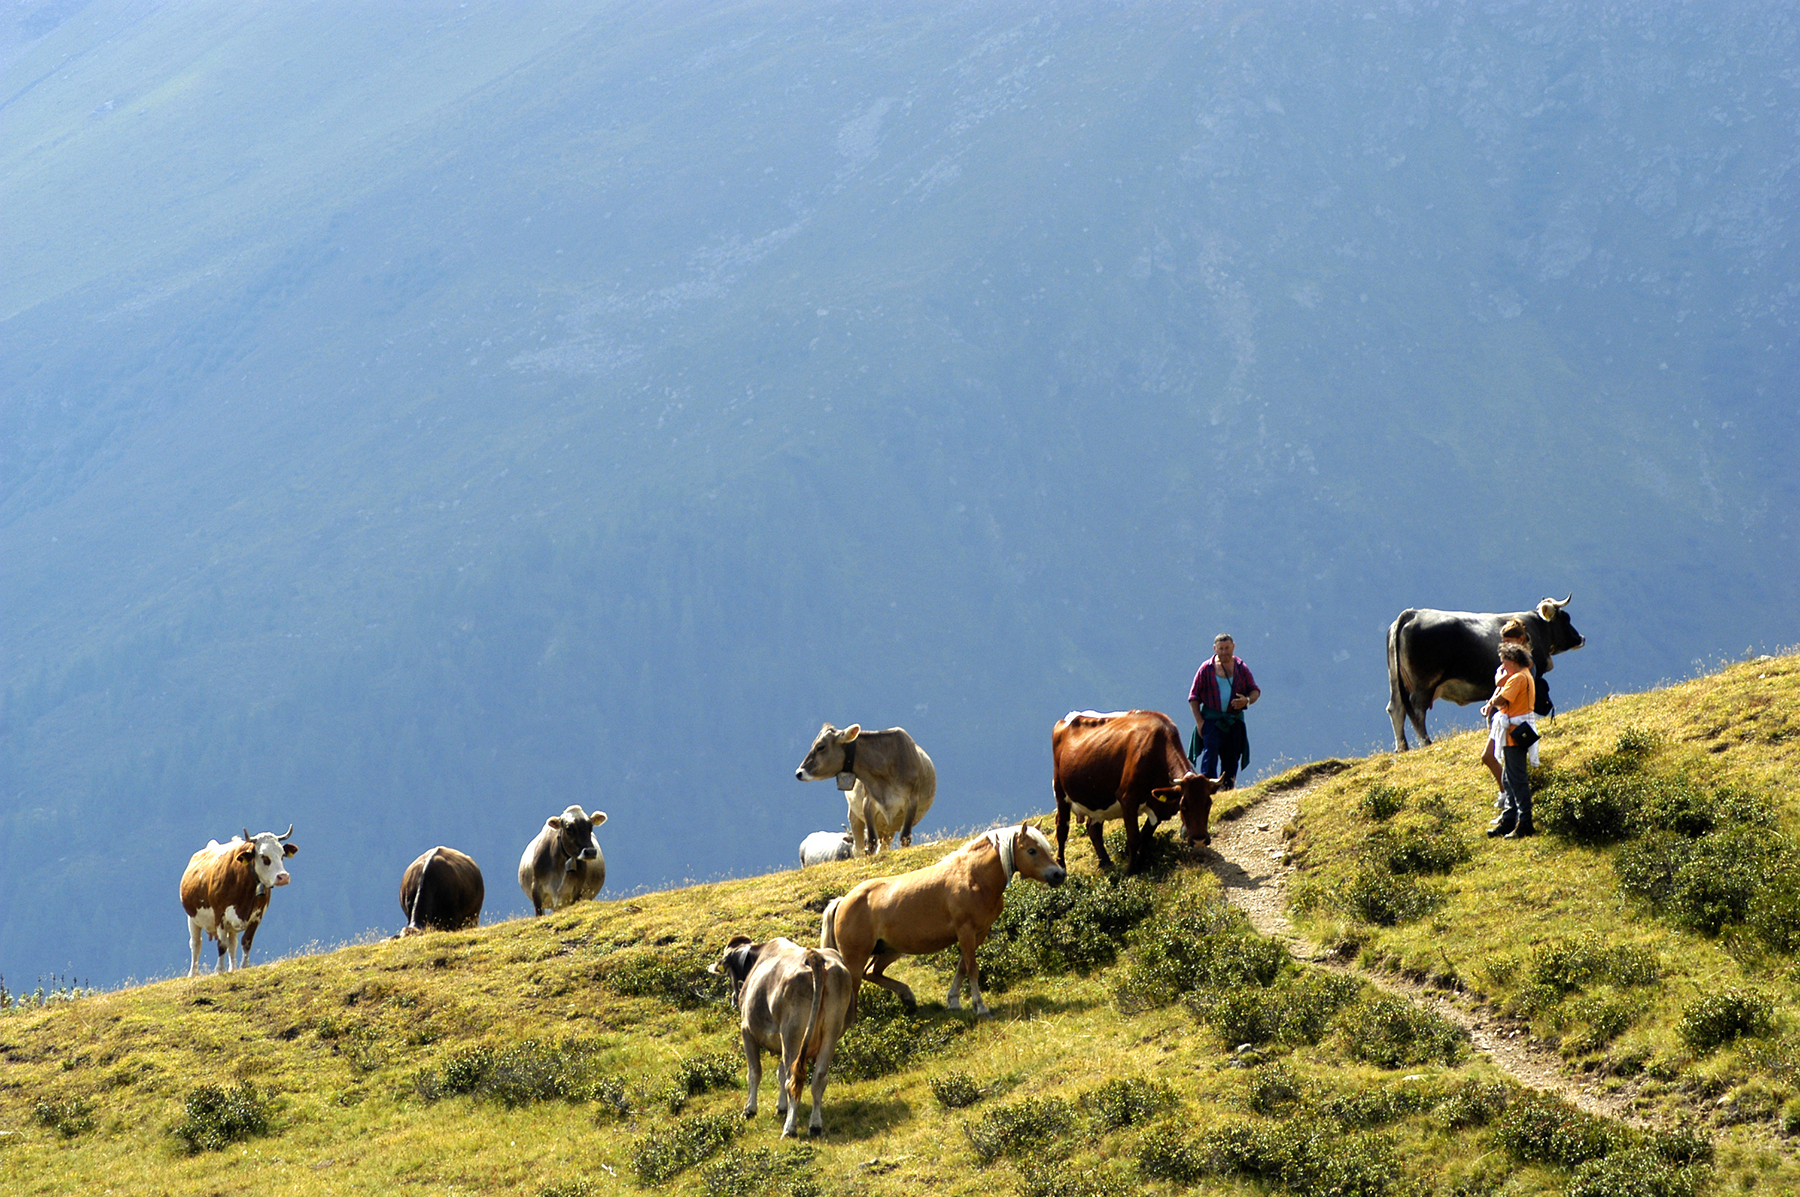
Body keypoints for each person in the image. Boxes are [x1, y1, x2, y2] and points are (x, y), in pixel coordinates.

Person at [1188, 633, 1260, 790]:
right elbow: (1193, 697)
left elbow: (1255, 691)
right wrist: (1200, 722)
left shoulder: (1241, 668)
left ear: (1233, 647)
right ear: (1215, 649)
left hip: (1233, 721)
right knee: (1210, 755)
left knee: (1231, 759)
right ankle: (1207, 791)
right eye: (1220, 649)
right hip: (1211, 721)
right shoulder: (1206, 669)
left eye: (1227, 648)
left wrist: (1246, 701)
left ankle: (1227, 790)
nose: (1224, 652)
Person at [1484, 642, 1537, 839]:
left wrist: (1499, 680)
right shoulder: (1525, 674)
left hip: (1514, 734)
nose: (1503, 666)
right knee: (1508, 777)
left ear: (1512, 660)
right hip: (1518, 731)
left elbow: (1501, 700)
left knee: (1516, 779)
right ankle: (1509, 820)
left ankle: (1524, 822)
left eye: (1504, 662)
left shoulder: (1516, 678)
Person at [1481, 620, 1533, 806]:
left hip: (1515, 722)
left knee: (1513, 768)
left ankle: (1513, 805)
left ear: (1520, 640)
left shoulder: (1523, 665)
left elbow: (1501, 681)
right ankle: (1508, 800)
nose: (1506, 646)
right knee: (1492, 758)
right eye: (1503, 642)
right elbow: (1502, 683)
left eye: (1509, 642)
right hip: (1505, 719)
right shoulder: (1513, 665)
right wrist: (1490, 704)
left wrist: (1498, 681)